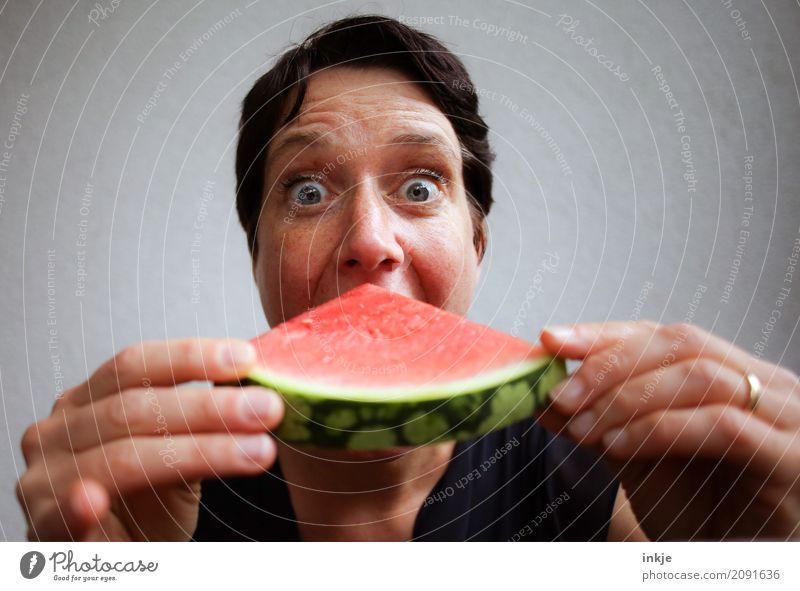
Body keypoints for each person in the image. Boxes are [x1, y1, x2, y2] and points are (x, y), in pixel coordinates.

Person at [16, 15, 799, 542]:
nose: (368, 240)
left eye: (420, 186)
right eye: (307, 190)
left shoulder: (612, 490)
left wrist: (755, 565)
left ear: (478, 242)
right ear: (255, 249)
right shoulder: (156, 499)